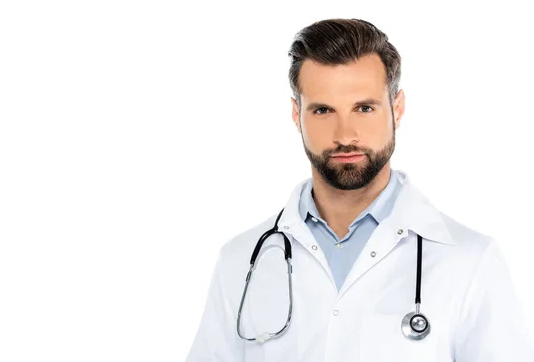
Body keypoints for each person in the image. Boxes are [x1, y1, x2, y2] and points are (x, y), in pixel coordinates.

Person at [185, 18, 534, 361]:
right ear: (296, 115)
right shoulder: (241, 260)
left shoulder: (471, 261)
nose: (345, 134)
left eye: (364, 108)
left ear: (397, 109)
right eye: (323, 110)